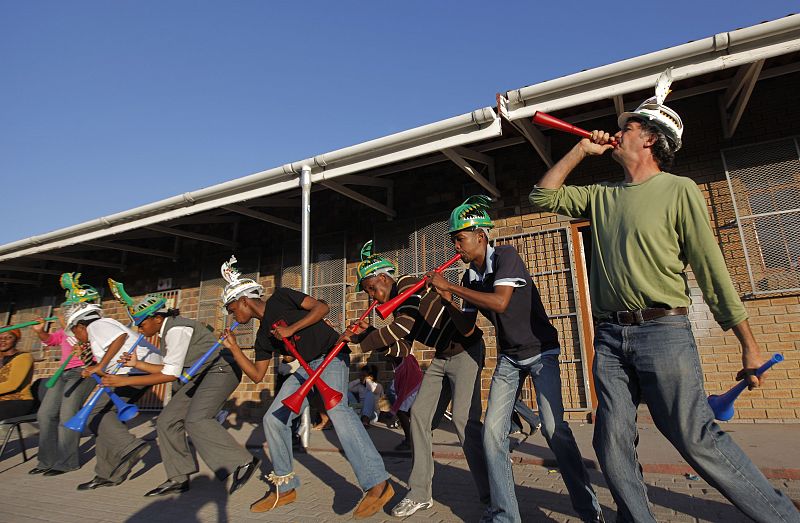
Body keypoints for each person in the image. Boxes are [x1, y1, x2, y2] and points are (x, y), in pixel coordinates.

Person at [529, 69, 800, 523]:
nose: (617, 133)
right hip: (611, 337)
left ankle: (781, 516)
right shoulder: (602, 195)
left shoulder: (679, 191)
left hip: (664, 331)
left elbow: (713, 272)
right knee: (610, 442)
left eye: (627, 128)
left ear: (651, 139)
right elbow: (541, 197)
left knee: (695, 437)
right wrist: (580, 148)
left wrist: (749, 345)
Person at [426, 195, 603, 523]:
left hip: (541, 352)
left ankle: (588, 509)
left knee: (553, 429)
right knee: (492, 435)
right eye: (454, 241)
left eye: (459, 239)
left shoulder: (506, 256)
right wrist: (447, 295)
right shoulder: (469, 278)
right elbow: (466, 328)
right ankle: (505, 517)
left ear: (480, 236)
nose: (456, 248)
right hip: (510, 358)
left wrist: (451, 286)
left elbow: (501, 302)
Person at [217, 256, 393, 518]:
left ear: (244, 300)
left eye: (231, 309)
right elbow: (256, 375)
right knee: (274, 419)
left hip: (331, 356)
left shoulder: (281, 297)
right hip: (306, 369)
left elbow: (322, 308)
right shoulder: (262, 336)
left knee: (337, 410)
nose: (232, 315)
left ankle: (378, 483)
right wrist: (233, 347)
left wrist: (293, 330)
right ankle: (285, 488)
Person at [340, 240, 490, 518]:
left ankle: (492, 494)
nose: (372, 297)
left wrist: (363, 341)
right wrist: (365, 334)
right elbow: (401, 348)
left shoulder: (410, 285)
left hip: (467, 351)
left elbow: (404, 326)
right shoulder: (398, 309)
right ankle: (420, 493)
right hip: (443, 357)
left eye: (372, 288)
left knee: (462, 421)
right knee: (419, 415)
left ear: (383, 278)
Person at [99, 279, 258, 497]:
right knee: (166, 421)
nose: (139, 328)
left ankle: (243, 462)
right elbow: (169, 368)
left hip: (221, 370)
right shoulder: (167, 332)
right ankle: (178, 477)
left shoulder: (177, 330)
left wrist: (123, 381)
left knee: (197, 419)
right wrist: (136, 364)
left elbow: (168, 375)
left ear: (157, 318)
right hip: (200, 375)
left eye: (142, 322)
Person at [65, 299, 163, 491]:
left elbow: (118, 339)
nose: (76, 337)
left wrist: (99, 366)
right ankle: (108, 474)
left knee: (94, 414)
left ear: (80, 325)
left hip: (135, 371)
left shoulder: (97, 325)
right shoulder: (97, 335)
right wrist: (95, 369)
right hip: (130, 372)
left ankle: (130, 446)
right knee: (104, 421)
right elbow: (110, 363)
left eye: (74, 331)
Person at [29, 273, 98, 476]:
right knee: (45, 414)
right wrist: (40, 331)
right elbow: (51, 340)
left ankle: (67, 462)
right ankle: (46, 461)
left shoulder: (95, 324)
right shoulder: (67, 327)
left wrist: (83, 346)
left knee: (67, 415)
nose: (69, 310)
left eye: (73, 306)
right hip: (63, 372)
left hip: (83, 372)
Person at [0, 328, 35, 422]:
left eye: (8, 337)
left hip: (18, 401)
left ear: (16, 339)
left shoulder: (23, 357)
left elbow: (12, 384)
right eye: (0, 337)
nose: (3, 340)